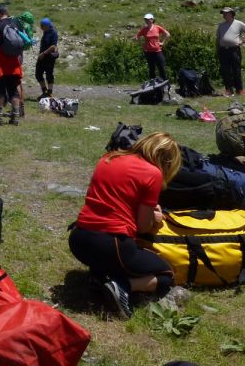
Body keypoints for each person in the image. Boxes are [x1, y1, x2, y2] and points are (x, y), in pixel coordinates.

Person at [68, 132, 182, 318]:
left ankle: (101, 279)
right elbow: (143, 226)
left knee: (112, 262)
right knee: (166, 275)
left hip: (78, 238)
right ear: (166, 160)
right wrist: (155, 218)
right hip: (112, 244)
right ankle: (123, 286)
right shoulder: (153, 173)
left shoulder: (109, 158)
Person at [0, 4, 22, 125]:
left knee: (0, 91)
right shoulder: (16, 24)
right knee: (13, 91)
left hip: (1, 64)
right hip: (14, 63)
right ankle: (15, 117)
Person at [216, 7, 245, 96]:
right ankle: (228, 89)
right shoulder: (221, 25)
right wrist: (217, 49)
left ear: (231, 13)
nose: (224, 15)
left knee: (236, 70)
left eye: (226, 13)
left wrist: (242, 41)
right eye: (223, 13)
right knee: (225, 70)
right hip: (223, 50)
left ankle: (239, 89)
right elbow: (218, 38)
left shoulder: (238, 23)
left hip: (234, 50)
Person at [134, 13, 170, 81]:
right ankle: (152, 84)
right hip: (148, 52)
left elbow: (167, 34)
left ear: (152, 19)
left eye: (148, 19)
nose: (147, 21)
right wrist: (141, 44)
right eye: (145, 19)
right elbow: (136, 37)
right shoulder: (144, 29)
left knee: (161, 67)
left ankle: (164, 82)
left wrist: (162, 42)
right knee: (151, 68)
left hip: (158, 51)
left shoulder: (157, 27)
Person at [35, 17, 59, 98]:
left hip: (49, 57)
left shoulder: (53, 33)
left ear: (47, 26)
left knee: (49, 74)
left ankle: (49, 92)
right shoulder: (45, 31)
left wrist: (44, 53)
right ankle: (44, 92)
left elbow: (53, 46)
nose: (41, 27)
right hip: (42, 56)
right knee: (38, 74)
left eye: (42, 25)